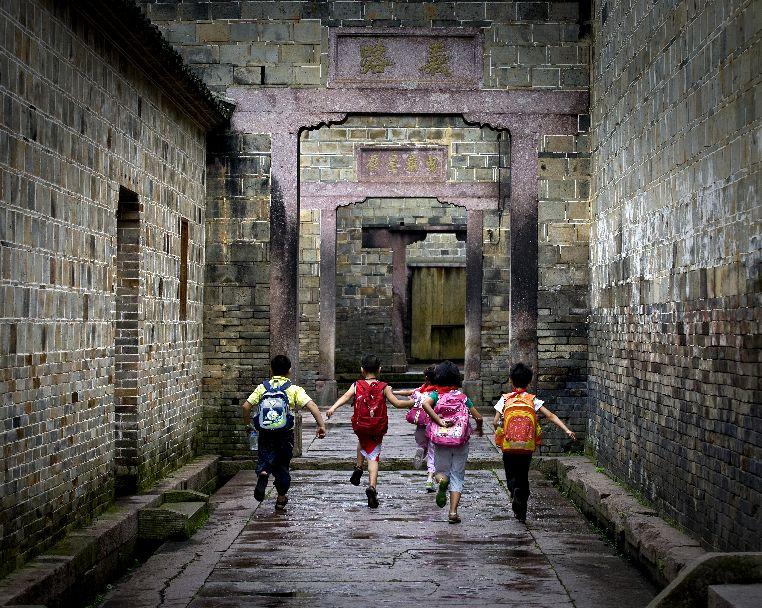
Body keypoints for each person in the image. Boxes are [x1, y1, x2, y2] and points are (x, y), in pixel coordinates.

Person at [325, 354, 413, 508]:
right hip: (376, 427)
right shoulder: (384, 387)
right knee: (373, 456)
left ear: (362, 370)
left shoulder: (356, 385)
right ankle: (372, 487)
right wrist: (414, 402)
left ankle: (359, 467)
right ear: (379, 369)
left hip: (361, 426)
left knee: (362, 441)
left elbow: (346, 397)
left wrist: (333, 408)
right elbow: (398, 404)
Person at [494, 362, 576, 523]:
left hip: (509, 446)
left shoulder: (504, 400)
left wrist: (502, 428)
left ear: (510, 380)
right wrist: (566, 429)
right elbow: (551, 415)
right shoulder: (533, 400)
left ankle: (514, 490)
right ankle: (522, 506)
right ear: (529, 381)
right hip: (527, 446)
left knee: (511, 474)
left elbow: (496, 422)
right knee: (523, 475)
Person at [242, 355, 326, 510]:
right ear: (289, 371)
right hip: (284, 435)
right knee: (282, 466)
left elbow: (246, 407)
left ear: (271, 370)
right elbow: (312, 405)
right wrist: (321, 425)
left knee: (265, 458)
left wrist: (248, 425)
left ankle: (263, 473)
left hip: (265, 433)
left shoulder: (262, 388)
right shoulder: (293, 389)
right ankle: (281, 499)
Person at [420, 360, 484, 524]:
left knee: (440, 472)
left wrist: (439, 421)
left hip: (440, 441)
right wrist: (479, 428)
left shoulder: (435, 395)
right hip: (461, 441)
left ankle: (442, 482)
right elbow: (479, 417)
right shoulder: (463, 398)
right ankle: (453, 512)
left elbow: (425, 404)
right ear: (457, 379)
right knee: (458, 475)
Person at [396, 365, 437, 490]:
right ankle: (430, 479)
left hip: (420, 427)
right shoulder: (437, 393)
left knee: (422, 445)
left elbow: (409, 392)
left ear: (426, 378)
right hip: (434, 426)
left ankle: (421, 450)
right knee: (433, 453)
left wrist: (392, 392)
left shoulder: (421, 390)